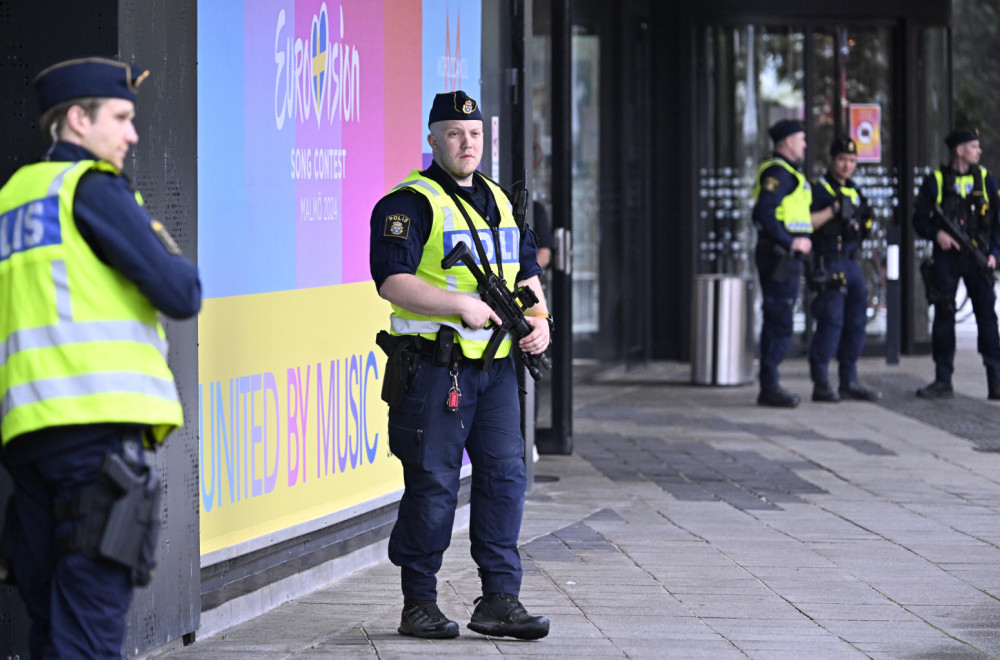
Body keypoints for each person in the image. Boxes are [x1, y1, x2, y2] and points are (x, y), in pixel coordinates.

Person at [0, 57, 201, 658]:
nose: (132, 134)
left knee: (51, 624)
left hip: (30, 439)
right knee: (88, 630)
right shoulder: (90, 188)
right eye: (121, 118)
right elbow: (180, 291)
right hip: (98, 440)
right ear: (77, 120)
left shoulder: (13, 199)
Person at [369, 90, 551, 640]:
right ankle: (419, 603)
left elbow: (524, 271)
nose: (466, 143)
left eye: (473, 134)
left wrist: (539, 317)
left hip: (496, 370)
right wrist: (462, 305)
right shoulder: (408, 203)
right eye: (453, 133)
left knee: (504, 479)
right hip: (434, 368)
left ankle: (500, 599)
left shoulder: (499, 198)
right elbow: (391, 281)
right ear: (433, 139)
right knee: (433, 484)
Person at [912, 128, 1000, 400]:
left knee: (987, 318)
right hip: (947, 258)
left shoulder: (986, 180)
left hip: (979, 257)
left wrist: (995, 253)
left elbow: (998, 222)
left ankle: (995, 381)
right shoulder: (935, 181)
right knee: (944, 316)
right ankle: (942, 379)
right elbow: (919, 219)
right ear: (959, 150)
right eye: (974, 146)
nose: (979, 151)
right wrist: (937, 234)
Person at [807, 138, 882, 403]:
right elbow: (807, 223)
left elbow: (865, 223)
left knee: (856, 323)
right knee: (831, 322)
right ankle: (821, 382)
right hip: (829, 260)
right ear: (831, 160)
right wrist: (833, 210)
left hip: (852, 260)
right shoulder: (818, 190)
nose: (847, 165)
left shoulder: (856, 190)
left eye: (852, 161)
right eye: (842, 160)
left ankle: (849, 381)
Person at [753, 119, 813, 407]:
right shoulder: (778, 173)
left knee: (780, 317)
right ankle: (769, 385)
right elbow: (764, 212)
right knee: (779, 320)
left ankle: (770, 383)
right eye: (801, 139)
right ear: (788, 142)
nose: (804, 144)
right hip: (777, 256)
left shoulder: (790, 173)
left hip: (784, 256)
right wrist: (791, 241)